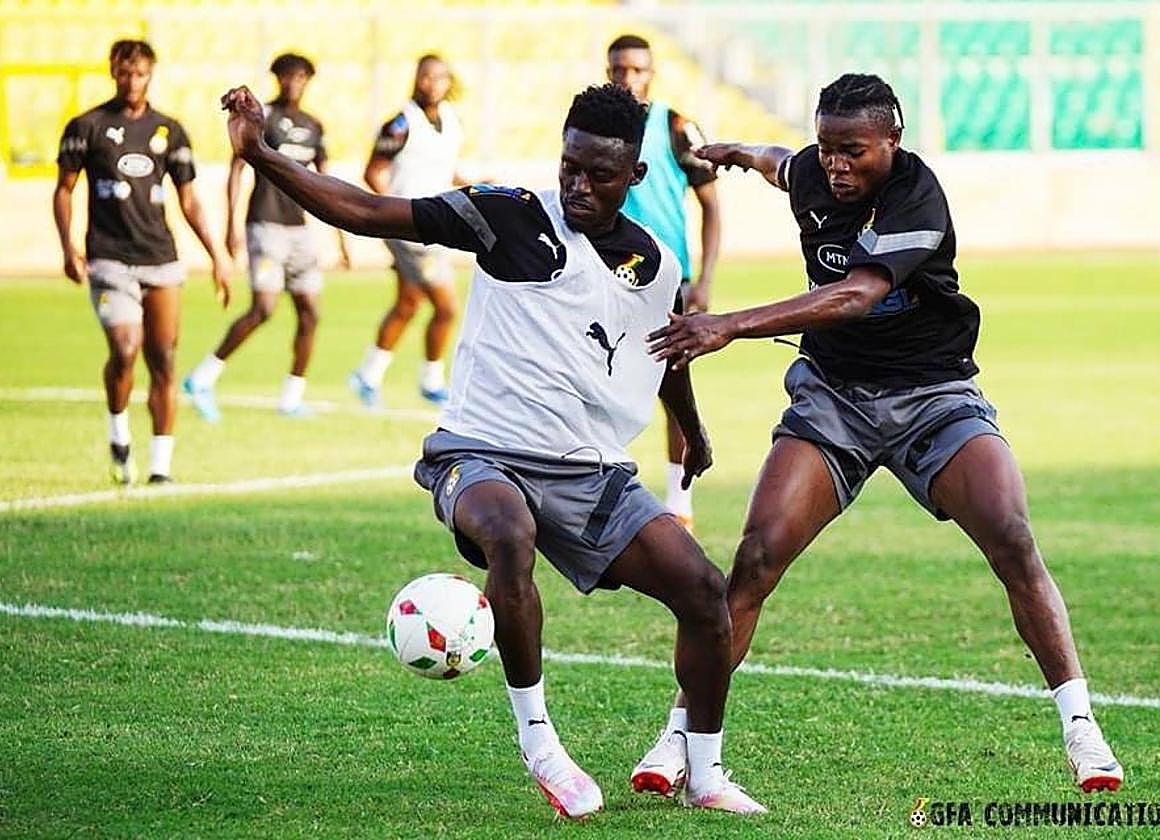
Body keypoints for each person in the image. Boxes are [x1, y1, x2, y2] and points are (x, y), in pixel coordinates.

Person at [222, 80, 766, 819]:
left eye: (598, 174)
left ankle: (703, 773)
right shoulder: (508, 216)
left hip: (587, 470)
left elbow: (665, 352)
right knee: (510, 534)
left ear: (634, 178)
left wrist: (693, 431)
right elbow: (364, 208)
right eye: (569, 165)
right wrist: (259, 155)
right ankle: (540, 741)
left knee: (703, 590)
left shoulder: (653, 263)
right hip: (480, 453)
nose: (576, 184)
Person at [637, 73, 1123, 795]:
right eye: (828, 148)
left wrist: (728, 325)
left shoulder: (916, 196)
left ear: (892, 143)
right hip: (834, 398)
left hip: (934, 395)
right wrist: (738, 151)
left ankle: (1082, 730)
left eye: (854, 152)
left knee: (1011, 536)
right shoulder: (814, 169)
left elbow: (857, 295)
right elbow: (782, 161)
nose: (837, 166)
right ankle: (681, 734)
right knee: (757, 556)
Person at [54, 39, 230, 484]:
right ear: (113, 72)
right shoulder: (87, 126)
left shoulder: (169, 131)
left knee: (164, 360)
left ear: (152, 75)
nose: (132, 81)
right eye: (125, 73)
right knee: (125, 349)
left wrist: (217, 255)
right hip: (109, 257)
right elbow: (64, 190)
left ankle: (160, 468)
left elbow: (188, 200)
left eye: (141, 73)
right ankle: (118, 434)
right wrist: (67, 247)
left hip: (162, 260)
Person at [184, 52, 344, 421]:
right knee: (264, 309)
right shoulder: (264, 117)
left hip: (300, 230)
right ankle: (203, 378)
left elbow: (327, 182)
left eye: (302, 77)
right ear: (277, 78)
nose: (294, 83)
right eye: (288, 76)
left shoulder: (314, 125)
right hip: (266, 225)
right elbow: (237, 169)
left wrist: (340, 238)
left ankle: (292, 397)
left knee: (311, 312)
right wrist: (230, 226)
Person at [608, 33, 721, 534]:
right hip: (605, 276)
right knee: (599, 379)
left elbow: (712, 206)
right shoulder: (597, 127)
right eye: (619, 70)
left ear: (651, 74)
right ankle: (600, 490)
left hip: (666, 278)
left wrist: (704, 280)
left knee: (674, 384)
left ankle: (679, 500)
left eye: (636, 70)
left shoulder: (676, 126)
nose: (627, 79)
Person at [348, 54, 464, 408]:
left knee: (408, 303)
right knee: (447, 307)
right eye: (425, 76)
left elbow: (444, 169)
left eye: (438, 77)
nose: (431, 83)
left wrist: (470, 187)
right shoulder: (401, 122)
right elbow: (374, 171)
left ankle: (367, 375)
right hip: (412, 226)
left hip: (438, 222)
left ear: (449, 81)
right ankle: (432, 380)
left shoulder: (451, 119)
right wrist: (390, 213)